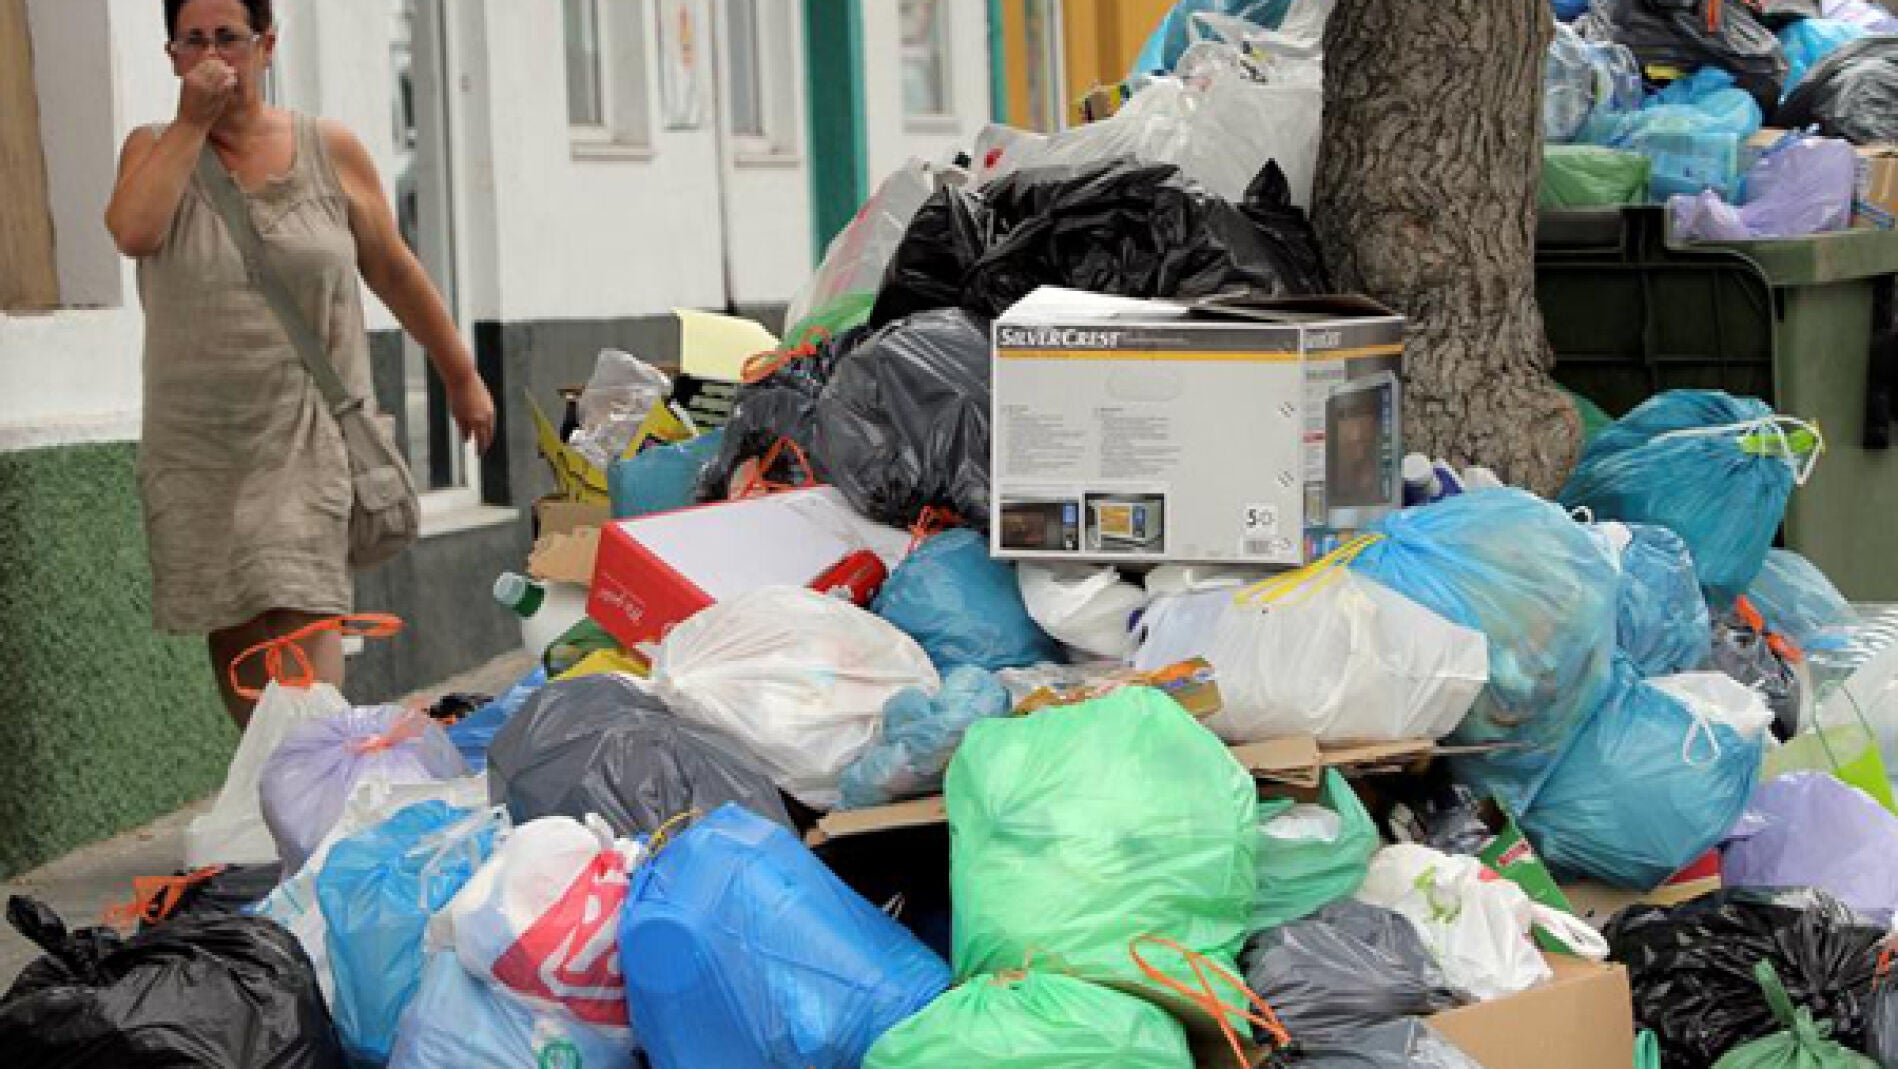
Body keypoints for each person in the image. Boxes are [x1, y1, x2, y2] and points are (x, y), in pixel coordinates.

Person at [105, 0, 494, 725]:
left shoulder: (327, 150)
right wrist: (192, 124)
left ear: (267, 45)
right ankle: (286, 790)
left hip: (306, 430)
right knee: (237, 626)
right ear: (171, 56)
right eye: (194, 41)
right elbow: (133, 229)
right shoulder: (152, 150)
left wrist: (459, 373)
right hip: (198, 444)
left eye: (230, 37)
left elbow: (396, 270)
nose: (214, 55)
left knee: (303, 612)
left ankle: (316, 794)